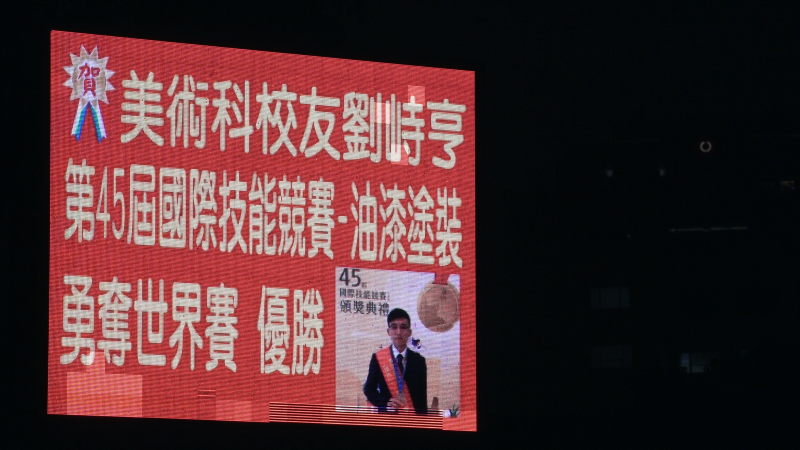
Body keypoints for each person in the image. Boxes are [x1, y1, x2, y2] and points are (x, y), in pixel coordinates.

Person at [363, 308, 428, 414]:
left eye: (403, 327)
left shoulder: (419, 361)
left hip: (411, 419)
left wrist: (424, 421)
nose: (398, 332)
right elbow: (369, 390)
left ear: (409, 332)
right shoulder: (378, 358)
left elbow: (422, 398)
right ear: (388, 332)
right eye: (394, 327)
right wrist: (385, 402)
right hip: (386, 418)